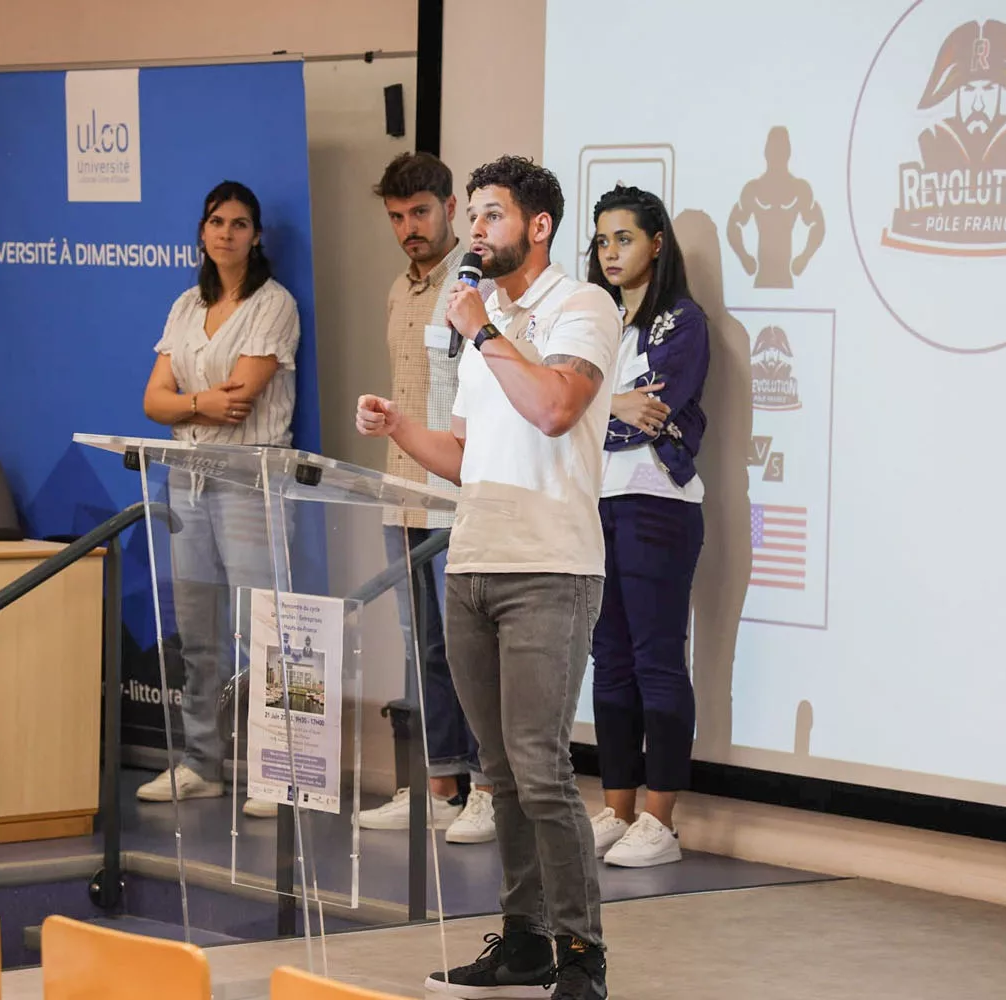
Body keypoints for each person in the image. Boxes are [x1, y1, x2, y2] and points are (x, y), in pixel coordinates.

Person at [358, 155, 617, 1000]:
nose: (474, 229)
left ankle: (581, 953)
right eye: (471, 215)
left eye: (491, 215)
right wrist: (401, 428)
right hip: (471, 561)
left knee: (540, 766)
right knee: (497, 772)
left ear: (538, 226)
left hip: (549, 567)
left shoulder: (581, 306)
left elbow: (554, 408)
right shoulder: (486, 320)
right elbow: (465, 457)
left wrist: (480, 332)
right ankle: (524, 941)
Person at [136, 180, 301, 820]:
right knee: (198, 631)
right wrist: (199, 402)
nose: (226, 233)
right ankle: (202, 762)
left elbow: (242, 400)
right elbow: (152, 402)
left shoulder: (274, 303)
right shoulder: (186, 304)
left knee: (268, 630)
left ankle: (280, 769)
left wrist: (190, 403)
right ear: (202, 232)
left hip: (249, 479)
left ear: (256, 236)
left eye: (239, 224)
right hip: (187, 478)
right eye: (216, 222)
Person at [358, 151, 495, 845]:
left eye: (419, 212)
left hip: (459, 491)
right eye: (395, 217)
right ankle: (439, 785)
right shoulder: (398, 289)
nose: (408, 228)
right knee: (423, 648)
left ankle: (488, 789)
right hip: (402, 490)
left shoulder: (476, 286)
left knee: (472, 648)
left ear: (449, 207)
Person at [583, 186, 709, 868]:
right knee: (608, 657)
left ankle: (660, 820)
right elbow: (565, 407)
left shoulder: (681, 322)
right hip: (593, 501)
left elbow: (651, 413)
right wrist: (609, 403)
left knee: (657, 657)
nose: (610, 252)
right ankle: (617, 808)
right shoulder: (592, 320)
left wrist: (595, 408)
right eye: (602, 240)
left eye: (624, 238)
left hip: (657, 501)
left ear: (656, 244)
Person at [726, 126, 824, 289]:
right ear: (766, 152)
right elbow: (734, 224)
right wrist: (744, 257)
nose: (777, 154)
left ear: (788, 152)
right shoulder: (753, 189)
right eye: (773, 149)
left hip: (787, 281)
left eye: (782, 149)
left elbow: (817, 223)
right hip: (760, 280)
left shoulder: (799, 189)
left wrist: (805, 257)